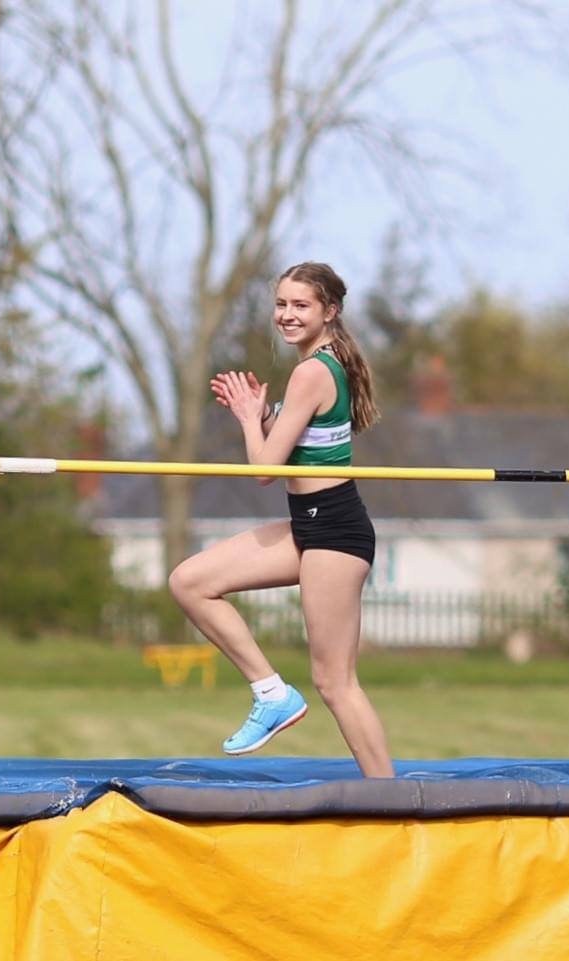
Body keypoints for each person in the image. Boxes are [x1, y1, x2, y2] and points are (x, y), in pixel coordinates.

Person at [167, 262, 395, 778]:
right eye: (281, 304)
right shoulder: (322, 364)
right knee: (190, 582)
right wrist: (267, 417)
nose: (287, 315)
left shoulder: (312, 371)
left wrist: (251, 420)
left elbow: (266, 470)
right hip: (308, 526)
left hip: (334, 532)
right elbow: (303, 449)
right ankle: (271, 693)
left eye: (300, 306)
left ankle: (391, 797)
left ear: (329, 311)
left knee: (336, 682)